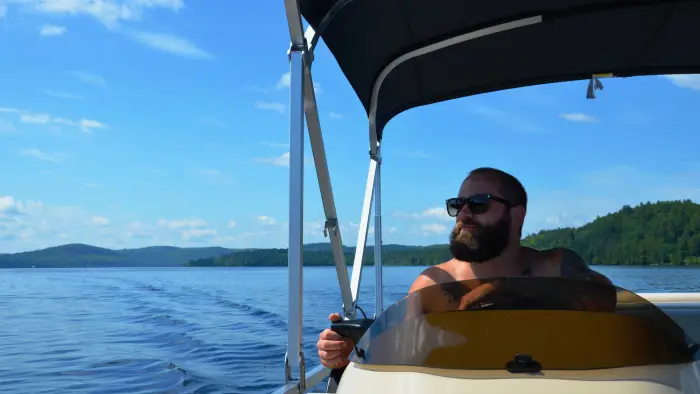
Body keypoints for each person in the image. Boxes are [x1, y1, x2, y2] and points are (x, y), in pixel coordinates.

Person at [316, 167, 614, 369]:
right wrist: (345, 355)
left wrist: (501, 288)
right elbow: (402, 358)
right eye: (458, 205)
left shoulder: (554, 265)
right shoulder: (433, 285)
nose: (465, 214)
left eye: (480, 203)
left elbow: (603, 299)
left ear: (517, 216)